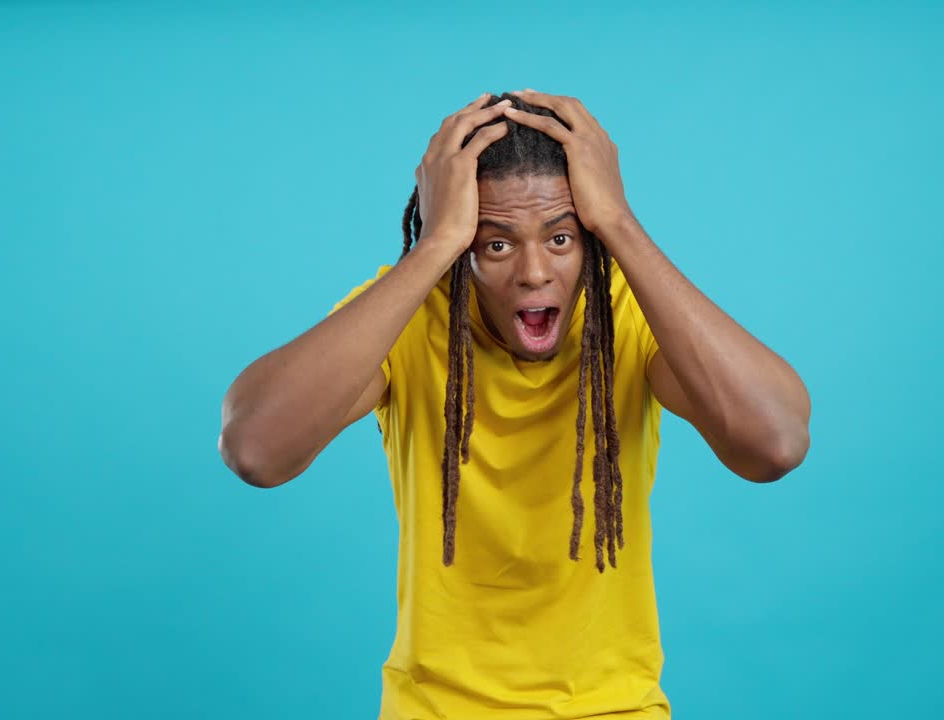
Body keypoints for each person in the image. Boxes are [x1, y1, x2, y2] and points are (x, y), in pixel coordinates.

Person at [218, 89, 812, 719]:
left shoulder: (627, 316)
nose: (533, 272)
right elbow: (255, 449)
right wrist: (435, 243)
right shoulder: (408, 320)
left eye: (560, 238)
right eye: (496, 245)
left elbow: (775, 443)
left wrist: (619, 221)